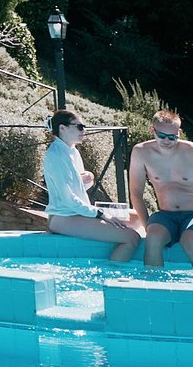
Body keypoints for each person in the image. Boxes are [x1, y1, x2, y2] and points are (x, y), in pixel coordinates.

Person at [127, 107, 193, 270]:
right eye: (161, 135)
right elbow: (136, 193)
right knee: (153, 239)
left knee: (189, 242)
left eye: (172, 137)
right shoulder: (141, 152)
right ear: (152, 130)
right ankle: (153, 288)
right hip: (166, 215)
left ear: (179, 132)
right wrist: (147, 225)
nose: (166, 141)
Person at [42, 111, 140, 260]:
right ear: (62, 128)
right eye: (80, 127)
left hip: (77, 212)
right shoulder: (56, 155)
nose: (84, 130)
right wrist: (101, 214)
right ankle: (109, 277)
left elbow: (76, 188)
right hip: (63, 218)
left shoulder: (72, 151)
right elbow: (68, 200)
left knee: (137, 218)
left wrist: (87, 180)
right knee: (132, 238)